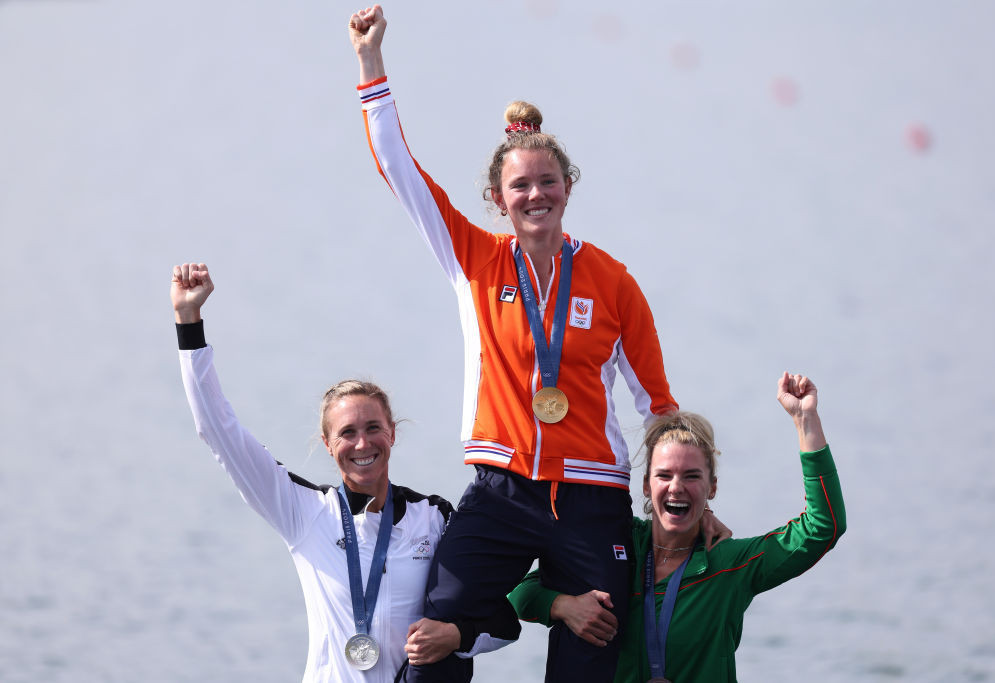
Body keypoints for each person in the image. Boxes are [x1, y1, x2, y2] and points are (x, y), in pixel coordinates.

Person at [348, 6, 727, 682]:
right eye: (520, 185)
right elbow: (399, 171)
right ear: (498, 197)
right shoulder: (473, 260)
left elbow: (658, 406)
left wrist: (692, 501)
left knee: (596, 639)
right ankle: (469, 633)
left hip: (593, 498)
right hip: (501, 492)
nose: (535, 194)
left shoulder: (614, 282)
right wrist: (370, 64)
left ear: (568, 187)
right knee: (436, 629)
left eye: (547, 182)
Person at [170, 262, 515, 682]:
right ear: (328, 443)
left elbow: (501, 621)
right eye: (347, 433)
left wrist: (458, 636)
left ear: (392, 433)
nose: (362, 444)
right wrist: (189, 322)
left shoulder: (434, 518)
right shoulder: (301, 511)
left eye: (373, 429)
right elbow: (217, 430)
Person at [509, 372, 847, 682]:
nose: (676, 487)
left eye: (692, 476)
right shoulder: (615, 544)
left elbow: (822, 526)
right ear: (645, 485)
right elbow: (518, 593)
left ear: (711, 487)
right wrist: (564, 606)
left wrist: (806, 421)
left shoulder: (729, 564)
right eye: (664, 475)